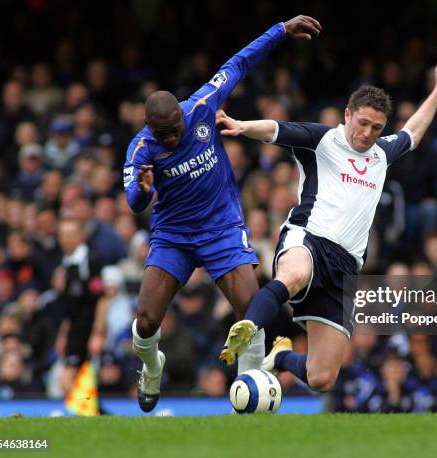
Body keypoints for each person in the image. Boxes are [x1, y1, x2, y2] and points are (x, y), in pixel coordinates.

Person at [216, 47, 437, 393]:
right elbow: (276, 130)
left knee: (321, 377)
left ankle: (278, 358)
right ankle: (249, 329)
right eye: (362, 123)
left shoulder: (381, 154)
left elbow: (413, 132)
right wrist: (240, 125)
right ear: (347, 115)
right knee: (293, 275)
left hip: (344, 267)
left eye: (376, 127)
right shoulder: (323, 139)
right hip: (308, 238)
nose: (368, 132)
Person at [122, 15, 322, 412]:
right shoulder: (140, 150)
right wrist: (142, 195)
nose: (175, 137)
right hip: (173, 236)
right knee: (146, 321)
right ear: (150, 129)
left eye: (178, 128)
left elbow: (240, 61)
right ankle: (152, 367)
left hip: (221, 229)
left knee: (252, 316)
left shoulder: (201, 103)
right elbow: (134, 201)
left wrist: (281, 30)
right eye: (167, 135)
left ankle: (247, 400)